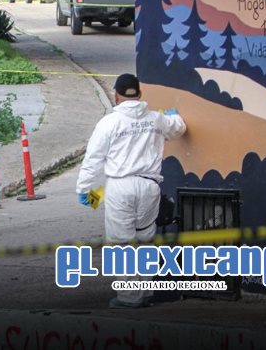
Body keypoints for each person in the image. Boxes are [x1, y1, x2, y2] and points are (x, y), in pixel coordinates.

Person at [75, 73, 186, 309]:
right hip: (150, 187)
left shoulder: (109, 123)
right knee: (145, 239)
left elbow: (93, 159)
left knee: (121, 242)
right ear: (140, 94)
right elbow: (178, 128)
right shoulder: (155, 119)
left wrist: (84, 189)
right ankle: (144, 293)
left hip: (120, 187)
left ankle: (128, 297)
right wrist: (173, 116)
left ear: (116, 95)